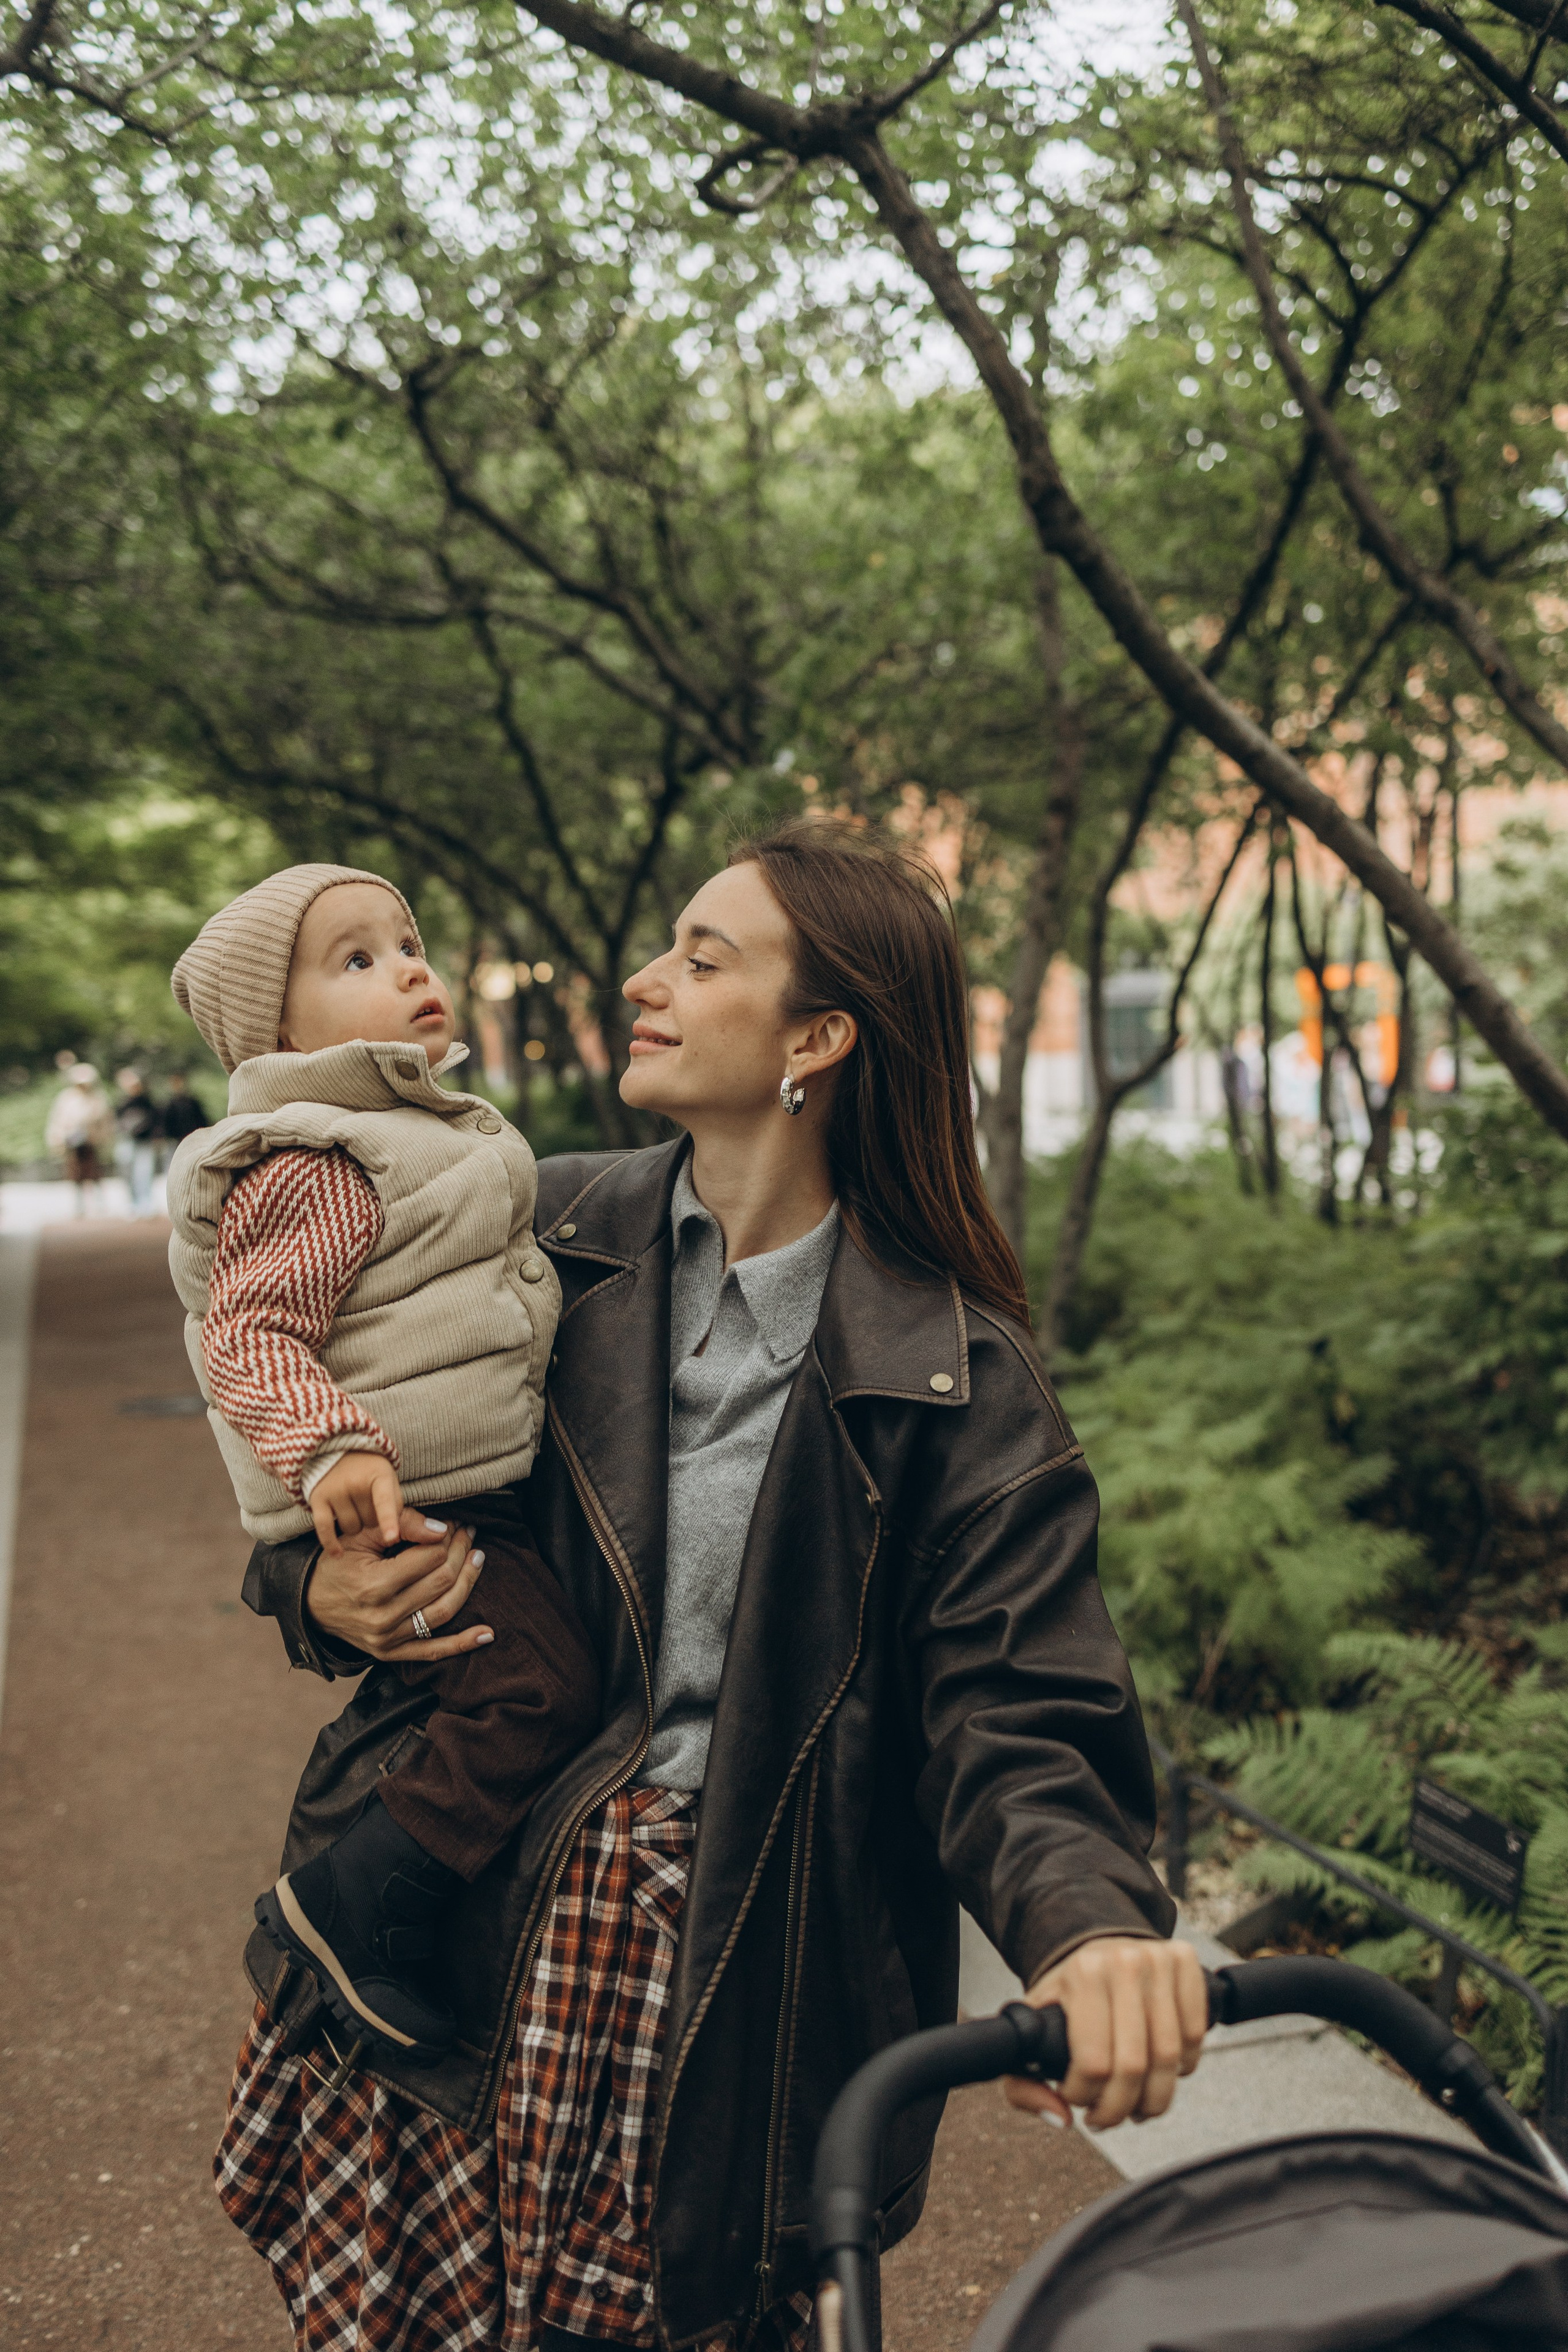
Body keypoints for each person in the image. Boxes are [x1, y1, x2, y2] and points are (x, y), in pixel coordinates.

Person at [216, 821, 1205, 2352]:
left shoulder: (957, 1383)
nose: (640, 978)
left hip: (737, 1973)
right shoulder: (529, 1237)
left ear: (815, 1037)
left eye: (700, 955)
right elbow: (332, 1444)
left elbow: (1017, 1712)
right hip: (463, 1918)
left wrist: (1087, 1927)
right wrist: (312, 1590)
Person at [165, 862, 599, 2061]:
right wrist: (329, 1448)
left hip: (438, 1483)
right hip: (392, 1493)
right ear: (280, 1031)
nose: (409, 968)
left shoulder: (408, 1137)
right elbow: (248, 1333)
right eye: (355, 960)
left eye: (408, 943)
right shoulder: (322, 1159)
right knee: (532, 1683)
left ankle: (379, 1897)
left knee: (527, 1674)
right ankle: (364, 1904)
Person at [44, 1062, 115, 1215]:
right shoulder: (66, 1098)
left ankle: (100, 1203)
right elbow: (58, 1121)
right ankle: (79, 1205)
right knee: (75, 1174)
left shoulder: (98, 1098)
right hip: (72, 1143)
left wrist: (104, 1138)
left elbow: (106, 1122)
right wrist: (57, 1140)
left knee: (95, 1173)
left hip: (92, 1143)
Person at [113, 1069, 161, 1216]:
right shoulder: (122, 1102)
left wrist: (157, 1138)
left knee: (145, 1172)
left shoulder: (147, 1101)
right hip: (127, 1142)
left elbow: (156, 1121)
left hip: (145, 1142)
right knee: (128, 1172)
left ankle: (145, 1202)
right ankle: (133, 1202)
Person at [159, 1069, 208, 1149]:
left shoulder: (192, 1102)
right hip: (176, 1141)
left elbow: (201, 1120)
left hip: (192, 1138)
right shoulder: (168, 1104)